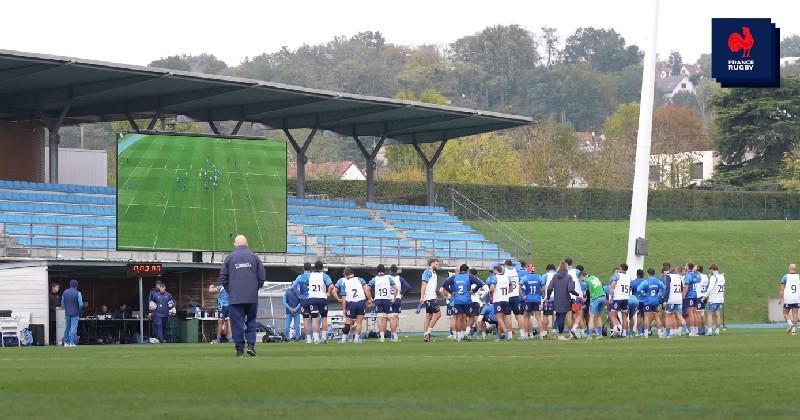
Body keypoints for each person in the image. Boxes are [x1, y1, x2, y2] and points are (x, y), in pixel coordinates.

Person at [220, 235, 266, 357]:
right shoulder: (254, 257)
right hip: (251, 297)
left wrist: (230, 290)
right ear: (247, 244)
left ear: (235, 244)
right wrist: (255, 288)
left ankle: (240, 349)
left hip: (235, 297)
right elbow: (262, 276)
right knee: (251, 320)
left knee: (237, 324)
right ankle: (251, 345)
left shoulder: (229, 258)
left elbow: (223, 276)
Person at [440, 264, 483, 342]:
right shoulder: (469, 277)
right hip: (467, 300)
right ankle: (465, 334)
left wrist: (451, 292)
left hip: (457, 300)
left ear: (460, 270)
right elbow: (480, 283)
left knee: (458, 318)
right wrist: (474, 291)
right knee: (470, 316)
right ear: (467, 270)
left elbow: (444, 285)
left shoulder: (454, 277)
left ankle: (459, 337)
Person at [299, 260, 333, 344]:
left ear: (314, 267)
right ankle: (324, 338)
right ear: (322, 268)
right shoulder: (324, 276)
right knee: (324, 318)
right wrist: (328, 293)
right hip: (322, 298)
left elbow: (306, 285)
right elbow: (331, 286)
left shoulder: (310, 275)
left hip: (312, 298)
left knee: (314, 319)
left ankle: (316, 338)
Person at [546, 262, 579, 341]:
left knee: (558, 315)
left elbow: (550, 288)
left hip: (557, 299)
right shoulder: (568, 277)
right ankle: (560, 335)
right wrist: (576, 294)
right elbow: (570, 289)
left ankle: (554, 329)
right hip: (565, 299)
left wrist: (548, 296)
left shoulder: (554, 277)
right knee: (562, 317)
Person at [340, 267, 372, 344]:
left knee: (348, 322)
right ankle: (356, 339)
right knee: (359, 322)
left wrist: (344, 308)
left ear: (345, 275)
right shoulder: (360, 280)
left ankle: (343, 339)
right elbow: (367, 289)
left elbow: (344, 298)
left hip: (351, 303)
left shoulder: (344, 283)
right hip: (361, 302)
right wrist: (369, 299)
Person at [369, 264, 397, 342]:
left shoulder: (374, 279)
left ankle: (382, 337)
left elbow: (367, 288)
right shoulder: (388, 278)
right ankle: (395, 336)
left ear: (377, 271)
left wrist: (370, 298)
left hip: (378, 300)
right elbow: (396, 289)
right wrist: (394, 298)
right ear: (384, 270)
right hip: (387, 299)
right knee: (391, 318)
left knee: (380, 318)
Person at [637, 268, 666, 339]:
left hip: (648, 301)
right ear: (654, 273)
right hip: (656, 301)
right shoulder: (658, 281)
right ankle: (660, 334)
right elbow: (664, 288)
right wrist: (659, 294)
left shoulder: (646, 282)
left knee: (646, 317)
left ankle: (646, 334)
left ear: (648, 273)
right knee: (657, 317)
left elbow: (638, 289)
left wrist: (644, 294)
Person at [487, 264, 513, 341]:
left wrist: (490, 293)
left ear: (495, 270)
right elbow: (511, 289)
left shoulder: (494, 277)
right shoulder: (507, 277)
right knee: (507, 318)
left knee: (499, 318)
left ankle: (505, 331)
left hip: (498, 300)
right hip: (506, 299)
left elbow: (492, 288)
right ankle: (507, 336)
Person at [420, 258, 442, 342]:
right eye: (437, 264)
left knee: (428, 316)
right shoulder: (427, 272)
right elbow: (423, 285)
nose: (438, 266)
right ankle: (428, 333)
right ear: (432, 263)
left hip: (432, 296)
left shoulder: (433, 273)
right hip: (429, 297)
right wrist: (422, 297)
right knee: (438, 314)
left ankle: (425, 336)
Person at [521, 264, 545, 340]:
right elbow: (543, 288)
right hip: (537, 299)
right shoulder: (539, 277)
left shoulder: (525, 277)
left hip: (528, 299)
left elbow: (519, 288)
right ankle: (541, 334)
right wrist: (539, 293)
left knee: (526, 317)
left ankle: (525, 335)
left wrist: (523, 296)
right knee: (538, 317)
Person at [608, 263, 632, 338]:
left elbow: (612, 285)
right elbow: (630, 288)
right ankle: (624, 332)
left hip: (618, 297)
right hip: (626, 298)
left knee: (612, 315)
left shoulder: (617, 275)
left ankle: (615, 328)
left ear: (621, 268)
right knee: (624, 316)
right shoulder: (629, 277)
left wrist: (611, 295)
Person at [388, 264, 411, 339]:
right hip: (397, 299)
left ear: (390, 270)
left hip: (388, 299)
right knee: (395, 317)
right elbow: (408, 287)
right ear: (397, 271)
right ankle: (394, 334)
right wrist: (403, 294)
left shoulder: (386, 278)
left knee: (385, 317)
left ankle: (384, 335)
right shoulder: (400, 279)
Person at [292, 262, 313, 343]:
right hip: (312, 299)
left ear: (303, 268)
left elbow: (293, 286)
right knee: (314, 319)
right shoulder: (313, 276)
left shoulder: (300, 277)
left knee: (306, 320)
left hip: (304, 299)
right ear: (310, 268)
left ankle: (308, 338)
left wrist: (298, 295)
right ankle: (314, 336)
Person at [503, 260, 523, 340]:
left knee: (508, 317)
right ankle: (523, 334)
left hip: (507, 296)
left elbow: (495, 266)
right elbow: (518, 263)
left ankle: (510, 336)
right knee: (518, 316)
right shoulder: (515, 270)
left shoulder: (504, 271)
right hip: (515, 296)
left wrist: (503, 264)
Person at [704, 264, 726, 336]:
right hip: (720, 298)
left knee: (709, 314)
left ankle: (710, 331)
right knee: (718, 315)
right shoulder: (722, 276)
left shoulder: (713, 277)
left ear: (712, 269)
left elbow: (710, 287)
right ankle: (717, 331)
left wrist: (705, 296)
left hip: (713, 298)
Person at [584, 270, 606, 340]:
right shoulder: (595, 277)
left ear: (582, 276)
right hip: (603, 297)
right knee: (598, 316)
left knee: (591, 317)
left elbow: (585, 291)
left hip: (595, 298)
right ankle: (600, 334)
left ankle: (590, 335)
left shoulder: (586, 280)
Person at [61, 279, 83, 347]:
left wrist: (67, 308)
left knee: (67, 328)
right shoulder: (78, 293)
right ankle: (72, 343)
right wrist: (79, 310)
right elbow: (81, 304)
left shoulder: (64, 292)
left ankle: (65, 343)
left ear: (70, 285)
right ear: (76, 286)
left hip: (67, 313)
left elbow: (62, 304)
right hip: (75, 313)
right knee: (73, 328)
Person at [664, 265, 685, 338]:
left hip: (671, 299)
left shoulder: (668, 276)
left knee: (668, 316)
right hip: (679, 298)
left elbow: (667, 289)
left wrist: (665, 300)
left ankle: (667, 334)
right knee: (679, 315)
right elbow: (682, 288)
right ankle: (686, 330)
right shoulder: (679, 277)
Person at [779, 263, 799, 336]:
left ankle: (790, 324)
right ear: (795, 269)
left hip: (788, 298)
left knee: (785, 313)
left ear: (789, 268)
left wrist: (780, 298)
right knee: (795, 314)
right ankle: (793, 331)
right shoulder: (798, 277)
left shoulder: (785, 277)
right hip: (796, 298)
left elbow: (782, 289)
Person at [682, 262, 701, 336]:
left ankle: (692, 330)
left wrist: (683, 296)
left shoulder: (688, 276)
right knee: (695, 313)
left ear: (687, 267)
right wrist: (695, 271)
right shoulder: (695, 275)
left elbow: (686, 287)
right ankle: (696, 330)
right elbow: (699, 279)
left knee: (690, 314)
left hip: (689, 296)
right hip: (695, 295)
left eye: (685, 266)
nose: (684, 267)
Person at [541, 263, 557, 338]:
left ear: (548, 269)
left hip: (547, 298)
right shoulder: (557, 275)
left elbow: (543, 287)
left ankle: (544, 332)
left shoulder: (545, 275)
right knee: (555, 315)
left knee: (545, 315)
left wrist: (543, 295)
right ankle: (554, 331)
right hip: (557, 298)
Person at [695, 265, 709, 335]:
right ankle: (704, 329)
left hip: (699, 296)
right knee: (702, 314)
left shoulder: (698, 277)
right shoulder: (705, 276)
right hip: (704, 296)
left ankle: (700, 330)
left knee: (698, 315)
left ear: (697, 270)